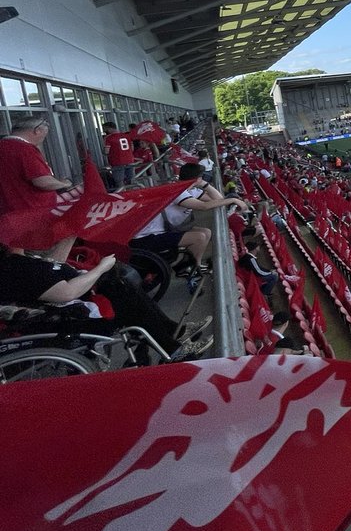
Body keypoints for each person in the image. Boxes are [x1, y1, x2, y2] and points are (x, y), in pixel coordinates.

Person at [0, 244, 210, 361]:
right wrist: (100, 268)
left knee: (119, 287)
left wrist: (70, 231)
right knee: (125, 297)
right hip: (64, 321)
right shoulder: (14, 269)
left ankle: (175, 332)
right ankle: (173, 348)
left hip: (69, 306)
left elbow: (55, 266)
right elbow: (66, 292)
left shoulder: (20, 262)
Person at [0, 114, 78, 262]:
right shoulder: (25, 149)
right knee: (45, 258)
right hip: (35, 216)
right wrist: (64, 184)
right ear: (37, 131)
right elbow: (42, 182)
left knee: (19, 257)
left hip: (10, 216)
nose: (43, 139)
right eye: (45, 134)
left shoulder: (3, 147)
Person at [102, 121, 136, 188]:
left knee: (119, 182)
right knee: (131, 180)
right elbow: (132, 149)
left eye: (105, 129)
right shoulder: (126, 136)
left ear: (109, 128)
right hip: (129, 160)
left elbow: (106, 151)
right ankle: (132, 193)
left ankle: (124, 196)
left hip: (117, 161)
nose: (104, 131)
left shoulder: (109, 138)